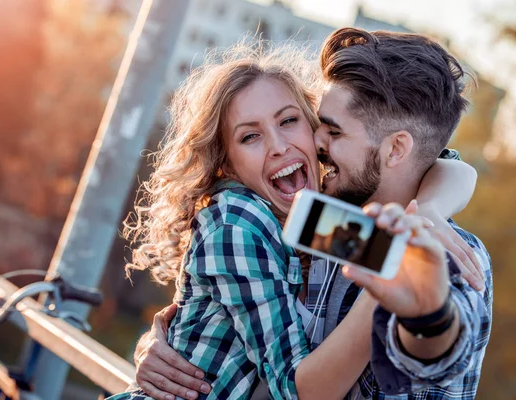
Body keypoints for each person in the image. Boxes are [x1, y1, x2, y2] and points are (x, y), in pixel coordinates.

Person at [119, 30, 490, 400]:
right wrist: (166, 338)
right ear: (226, 164)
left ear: (395, 149)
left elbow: (439, 345)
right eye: (320, 126)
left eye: (332, 131)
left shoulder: (443, 254)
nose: (316, 143)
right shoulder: (319, 223)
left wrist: (428, 315)